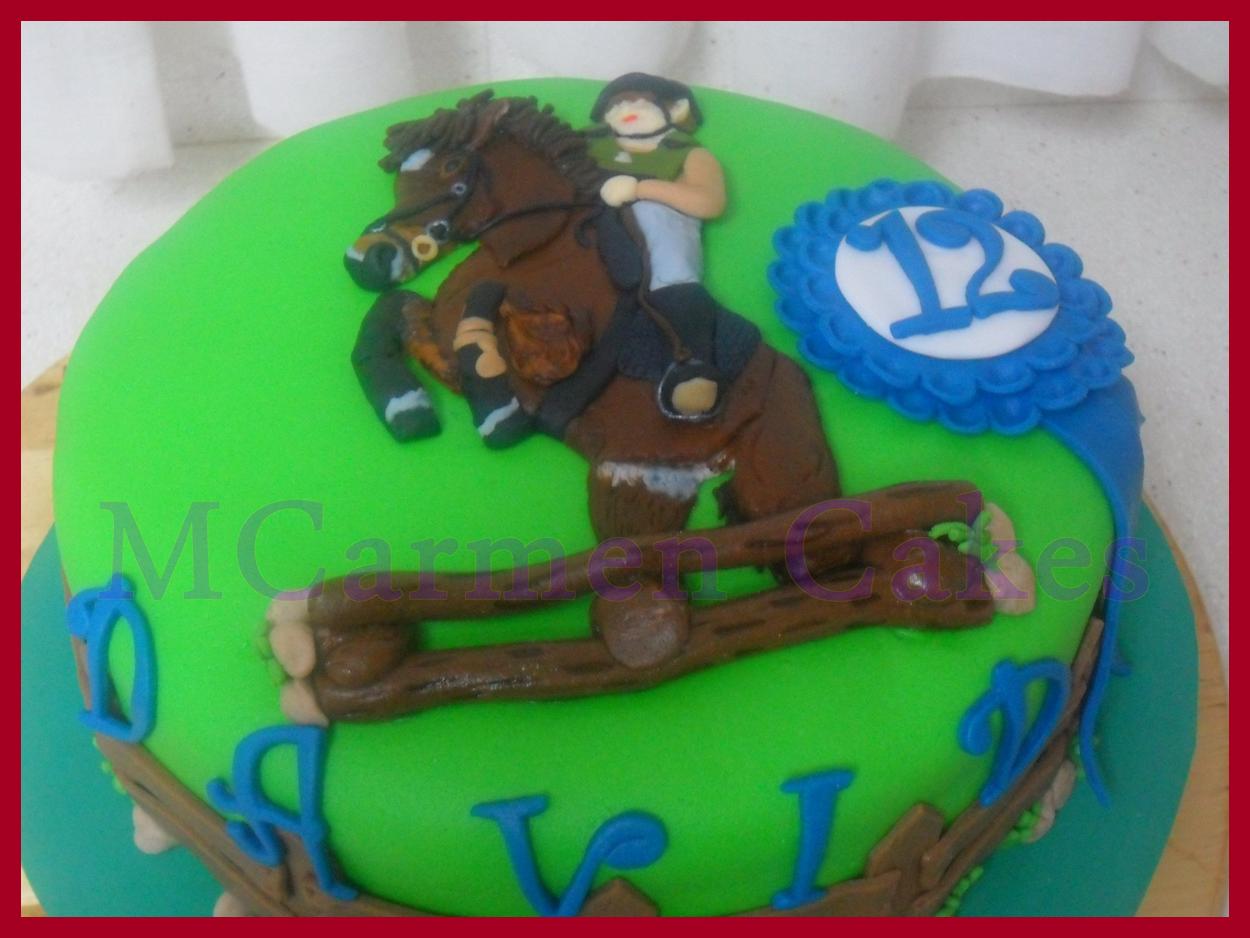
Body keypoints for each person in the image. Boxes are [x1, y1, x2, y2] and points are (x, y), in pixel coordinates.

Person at [585, 73, 758, 422]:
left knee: (659, 228)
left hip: (657, 223)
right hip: (590, 220)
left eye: (640, 100)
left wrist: (640, 190)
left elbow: (708, 202)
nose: (627, 108)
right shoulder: (586, 144)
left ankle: (692, 363)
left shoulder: (689, 153)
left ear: (674, 110)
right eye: (617, 103)